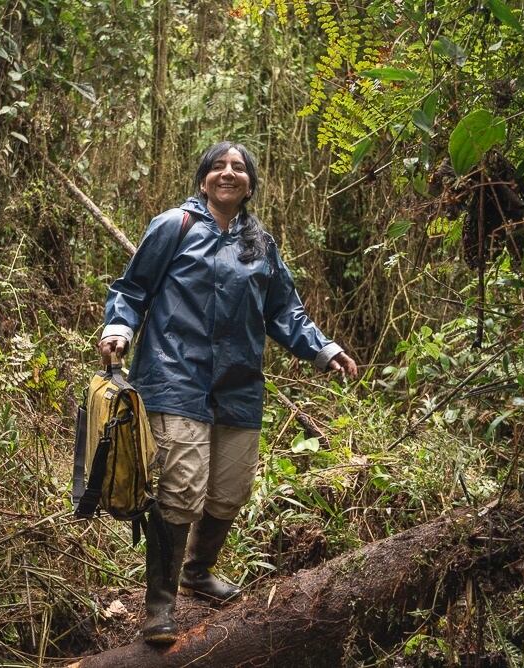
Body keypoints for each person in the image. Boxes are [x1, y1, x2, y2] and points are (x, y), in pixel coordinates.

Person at [97, 141, 358, 644]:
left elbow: (284, 312)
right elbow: (132, 290)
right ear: (203, 180)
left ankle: (199, 570)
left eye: (238, 168)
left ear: (250, 184)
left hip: (238, 386)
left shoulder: (259, 243)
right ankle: (160, 605)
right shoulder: (174, 227)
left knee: (230, 490)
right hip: (175, 378)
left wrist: (324, 349)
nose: (228, 174)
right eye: (219, 166)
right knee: (181, 489)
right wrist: (119, 328)